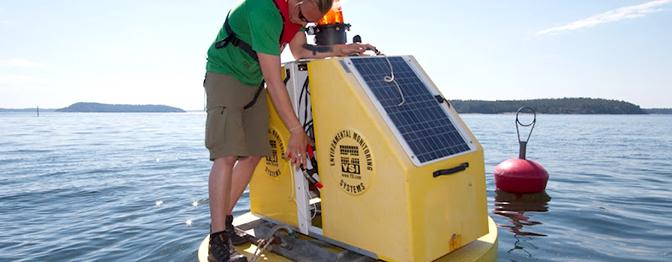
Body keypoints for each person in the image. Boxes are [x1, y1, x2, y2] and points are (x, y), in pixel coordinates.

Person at [203, 0, 375, 261]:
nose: (303, 24)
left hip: (252, 81)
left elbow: (300, 51)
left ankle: (224, 220)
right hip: (225, 75)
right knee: (226, 155)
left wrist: (340, 49)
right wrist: (296, 130)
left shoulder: (296, 14)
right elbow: (273, 80)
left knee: (253, 154)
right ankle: (218, 237)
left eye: (308, 22)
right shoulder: (263, 9)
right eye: (303, 17)